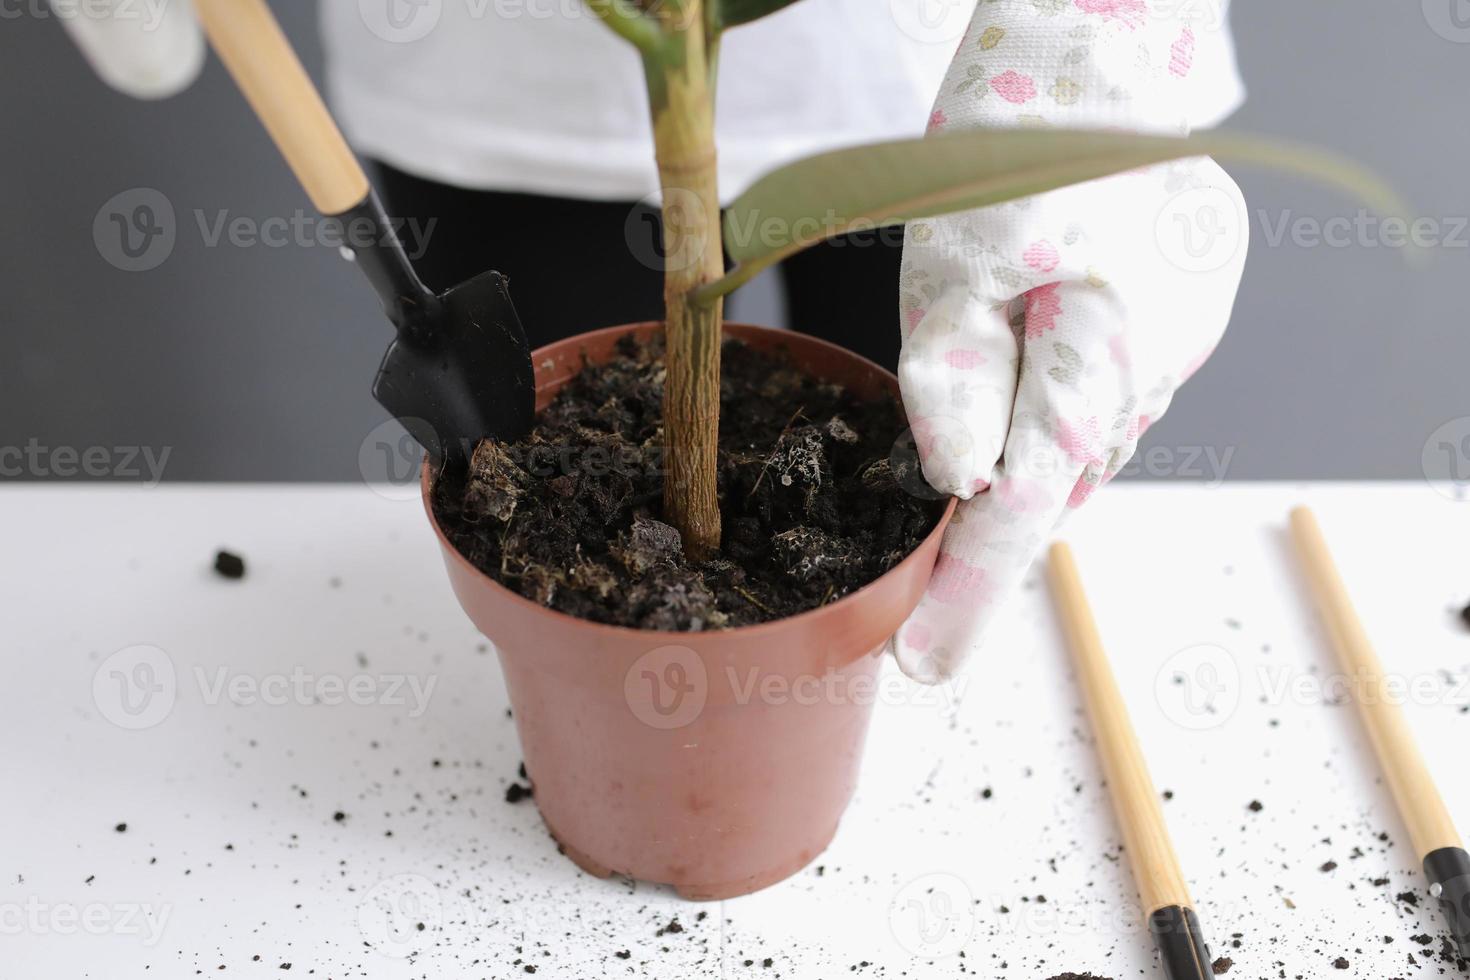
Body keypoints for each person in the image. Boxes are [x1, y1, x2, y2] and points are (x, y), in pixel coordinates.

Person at [58, 0, 1249, 682]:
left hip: (955, 66)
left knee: (937, 449)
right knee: (532, 427)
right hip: (493, 68)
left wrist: (1098, 44)